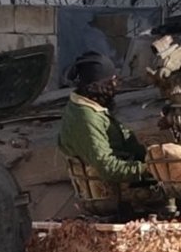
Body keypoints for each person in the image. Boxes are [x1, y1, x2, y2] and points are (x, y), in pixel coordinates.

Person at [57, 52, 155, 216]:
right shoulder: (87, 118)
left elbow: (125, 140)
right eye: (112, 81)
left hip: (120, 179)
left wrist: (150, 155)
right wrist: (149, 169)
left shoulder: (87, 108)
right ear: (96, 86)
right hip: (114, 192)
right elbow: (107, 167)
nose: (116, 85)